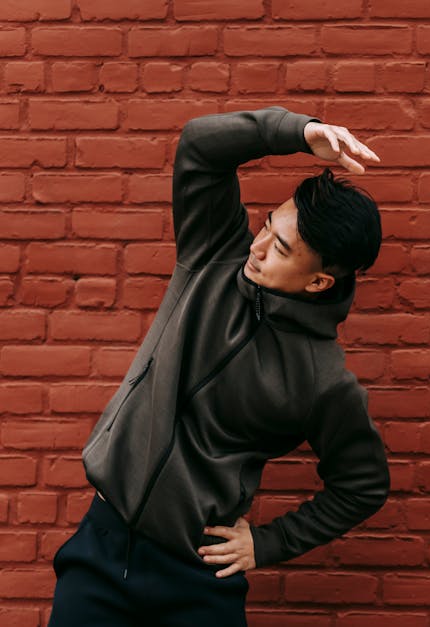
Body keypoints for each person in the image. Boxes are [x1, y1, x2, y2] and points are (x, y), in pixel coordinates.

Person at [48, 107, 389, 626]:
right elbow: (200, 147)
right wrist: (299, 133)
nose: (257, 246)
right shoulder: (213, 258)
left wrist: (268, 543)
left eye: (280, 249)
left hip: (198, 578)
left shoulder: (324, 381)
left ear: (319, 281)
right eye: (267, 226)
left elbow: (362, 485)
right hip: (104, 549)